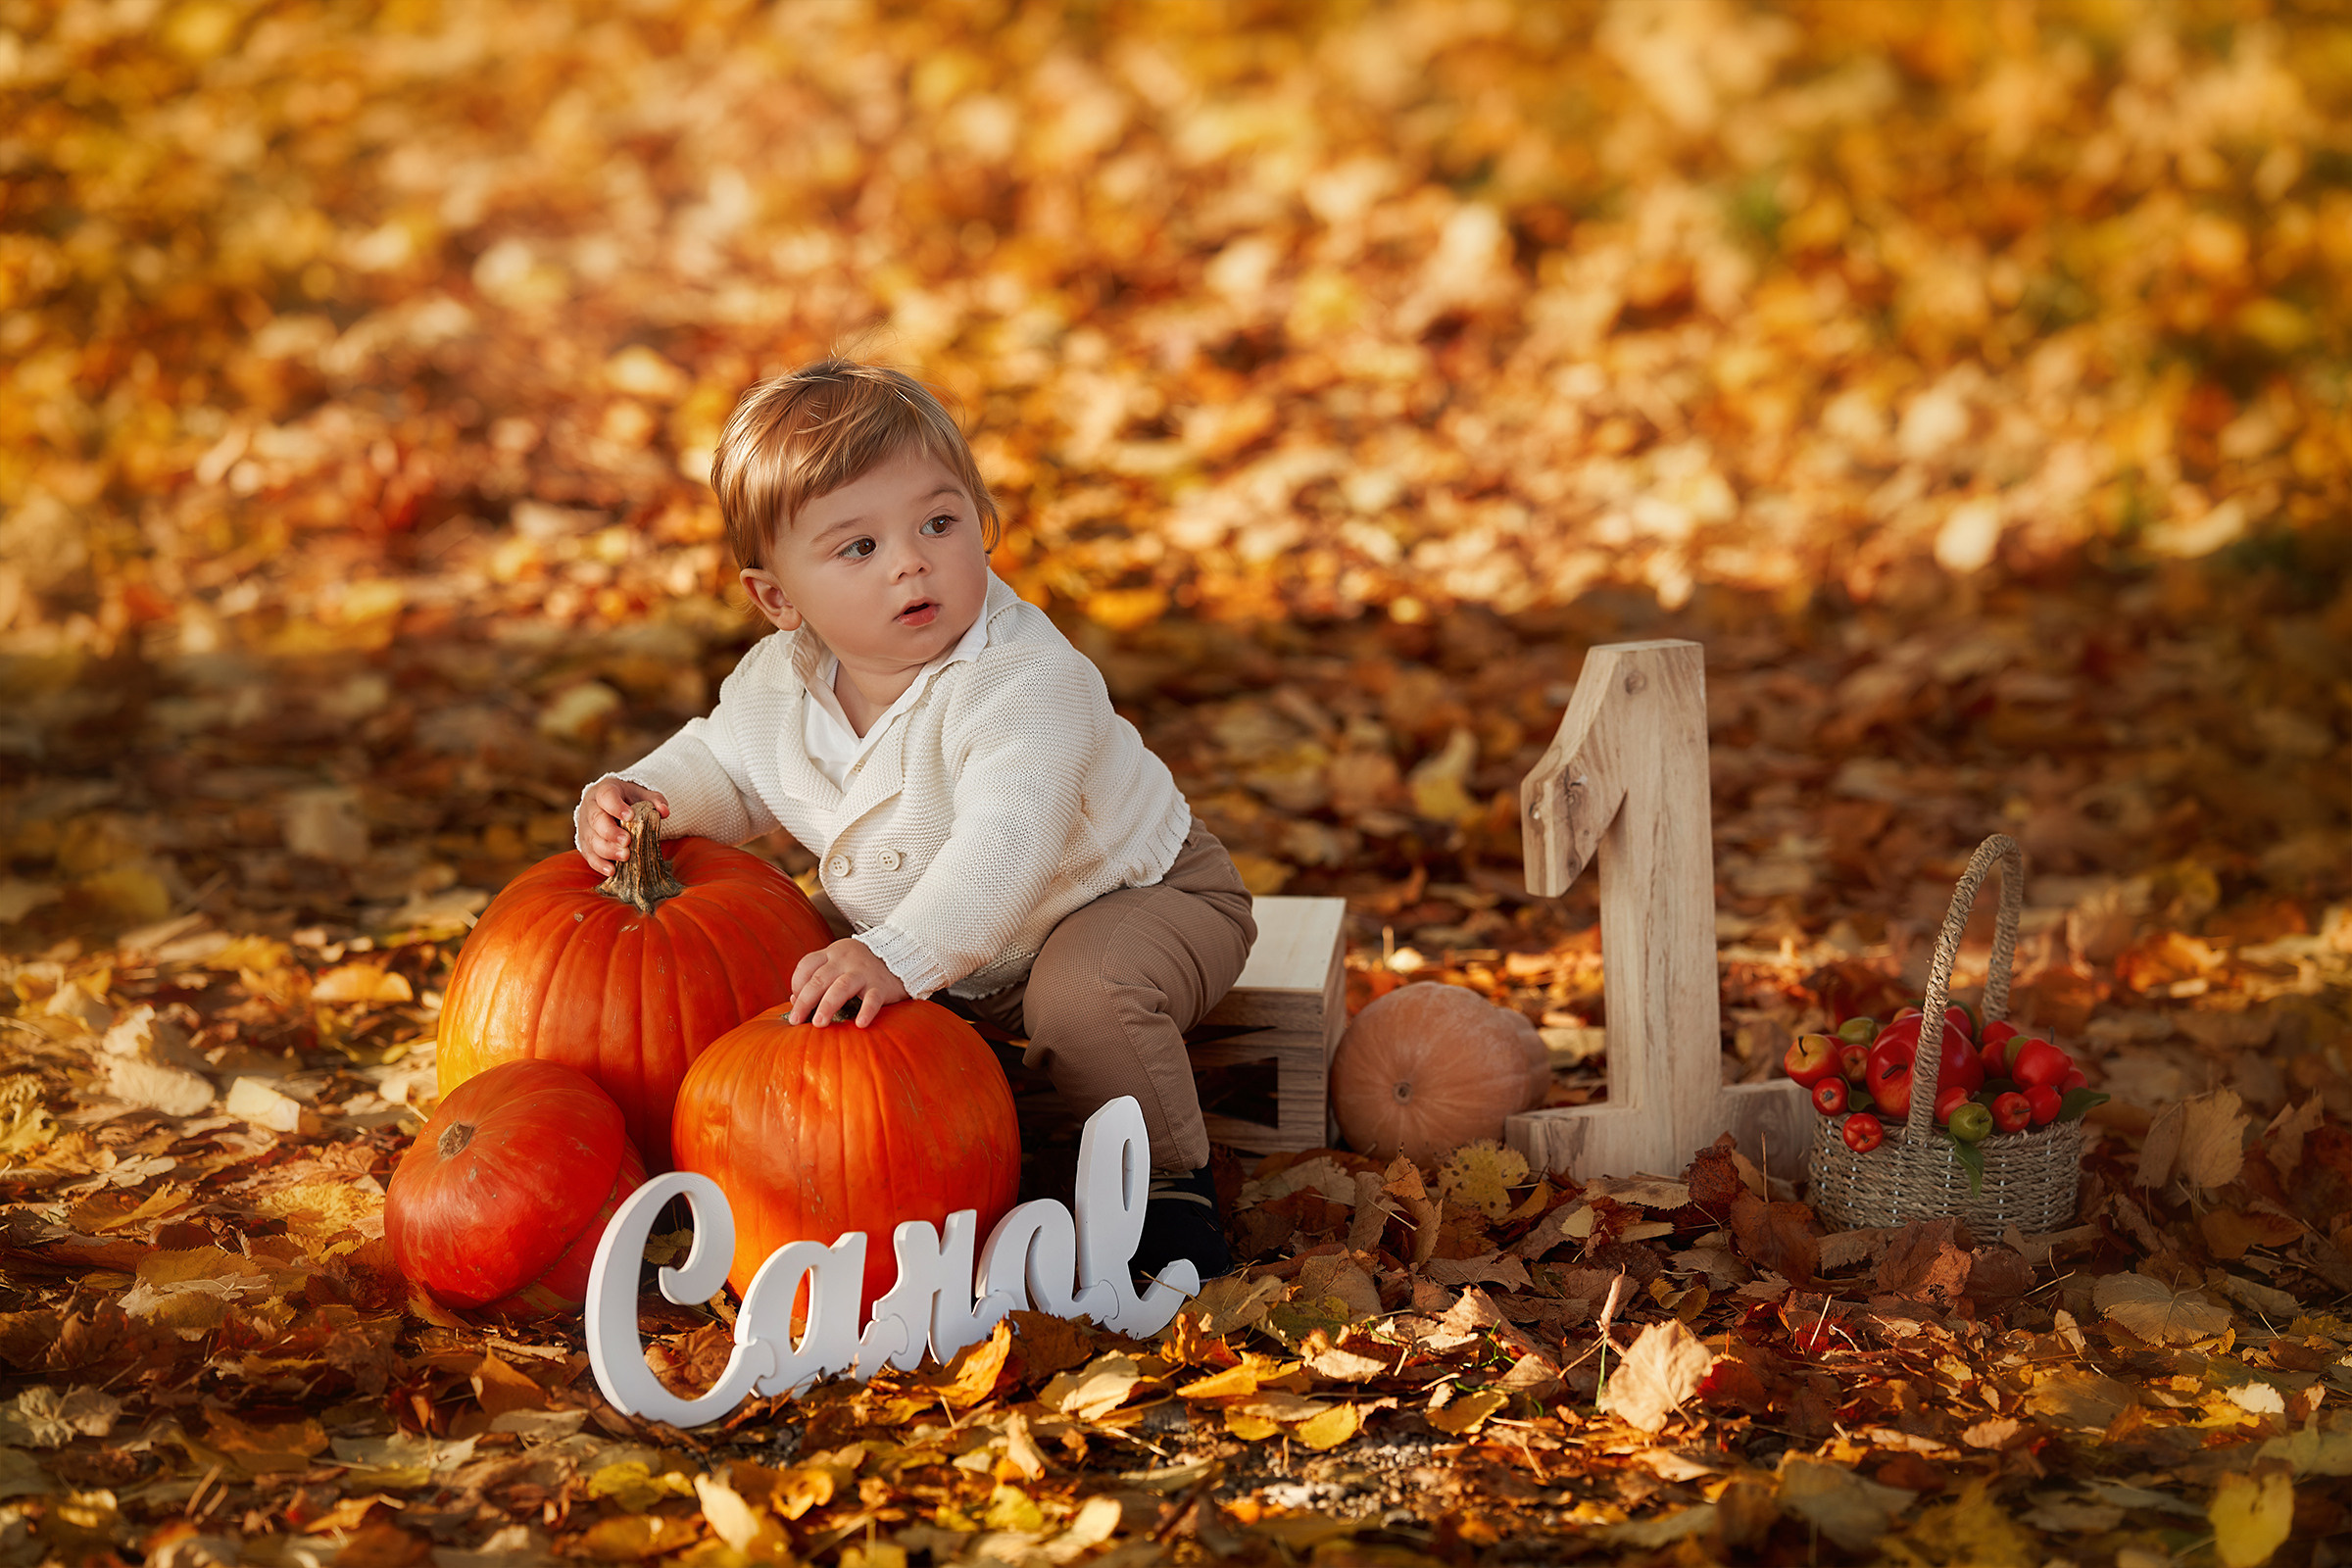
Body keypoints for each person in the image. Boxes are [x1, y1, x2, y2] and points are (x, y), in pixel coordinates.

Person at [573, 358, 1252, 1282]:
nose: (911, 560)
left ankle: (1168, 1190)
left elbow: (1005, 844)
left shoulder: (1022, 678)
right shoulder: (782, 685)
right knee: (771, 960)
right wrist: (643, 796)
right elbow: (725, 767)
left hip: (1131, 896)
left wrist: (894, 956)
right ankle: (780, 1170)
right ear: (778, 599)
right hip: (940, 941)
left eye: (939, 522)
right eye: (859, 548)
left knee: (1084, 997)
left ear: (984, 524)